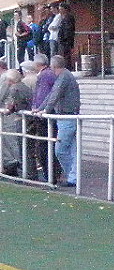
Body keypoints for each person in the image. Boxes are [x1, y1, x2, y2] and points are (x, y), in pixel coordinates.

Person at [35, 55, 80, 188]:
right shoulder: (63, 76)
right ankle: (73, 176)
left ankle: (72, 176)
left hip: (67, 116)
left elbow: (55, 93)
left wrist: (45, 109)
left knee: (60, 150)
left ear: (54, 66)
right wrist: (41, 108)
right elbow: (52, 94)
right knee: (71, 149)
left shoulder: (64, 77)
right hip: (65, 116)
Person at [31, 53, 61, 183]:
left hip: (46, 116)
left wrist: (38, 108)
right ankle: (52, 173)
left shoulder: (44, 76)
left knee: (44, 145)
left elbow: (42, 95)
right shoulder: (50, 74)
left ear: (38, 64)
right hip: (51, 113)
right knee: (49, 144)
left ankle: (50, 174)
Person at [1, 69, 34, 178]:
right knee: (26, 146)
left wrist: (7, 110)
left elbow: (11, 105)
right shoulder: (24, 86)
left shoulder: (15, 88)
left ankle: (26, 173)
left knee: (23, 146)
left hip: (23, 119)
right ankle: (27, 172)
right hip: (28, 118)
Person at [57, 3, 76, 70]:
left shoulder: (68, 17)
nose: (60, 11)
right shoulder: (64, 17)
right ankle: (67, 67)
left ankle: (68, 68)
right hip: (63, 40)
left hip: (66, 40)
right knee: (64, 55)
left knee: (66, 55)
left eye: (61, 9)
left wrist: (65, 38)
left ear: (65, 9)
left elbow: (68, 29)